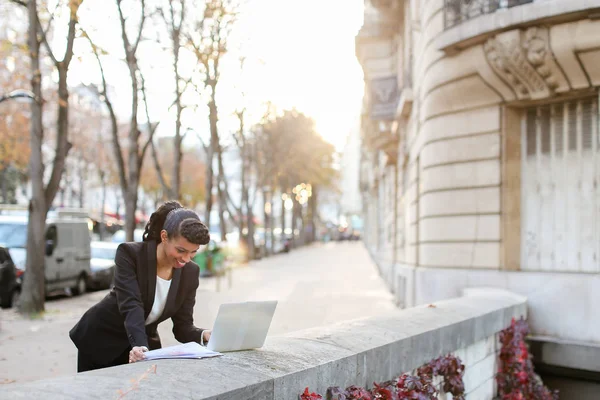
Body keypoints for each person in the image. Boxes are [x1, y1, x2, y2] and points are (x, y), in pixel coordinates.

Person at [69, 200, 211, 372]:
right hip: (101, 340)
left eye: (193, 252)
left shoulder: (190, 273)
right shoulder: (130, 254)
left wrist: (204, 335)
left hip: (141, 347)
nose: (186, 259)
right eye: (181, 250)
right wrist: (140, 345)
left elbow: (183, 327)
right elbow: (131, 304)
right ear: (164, 237)